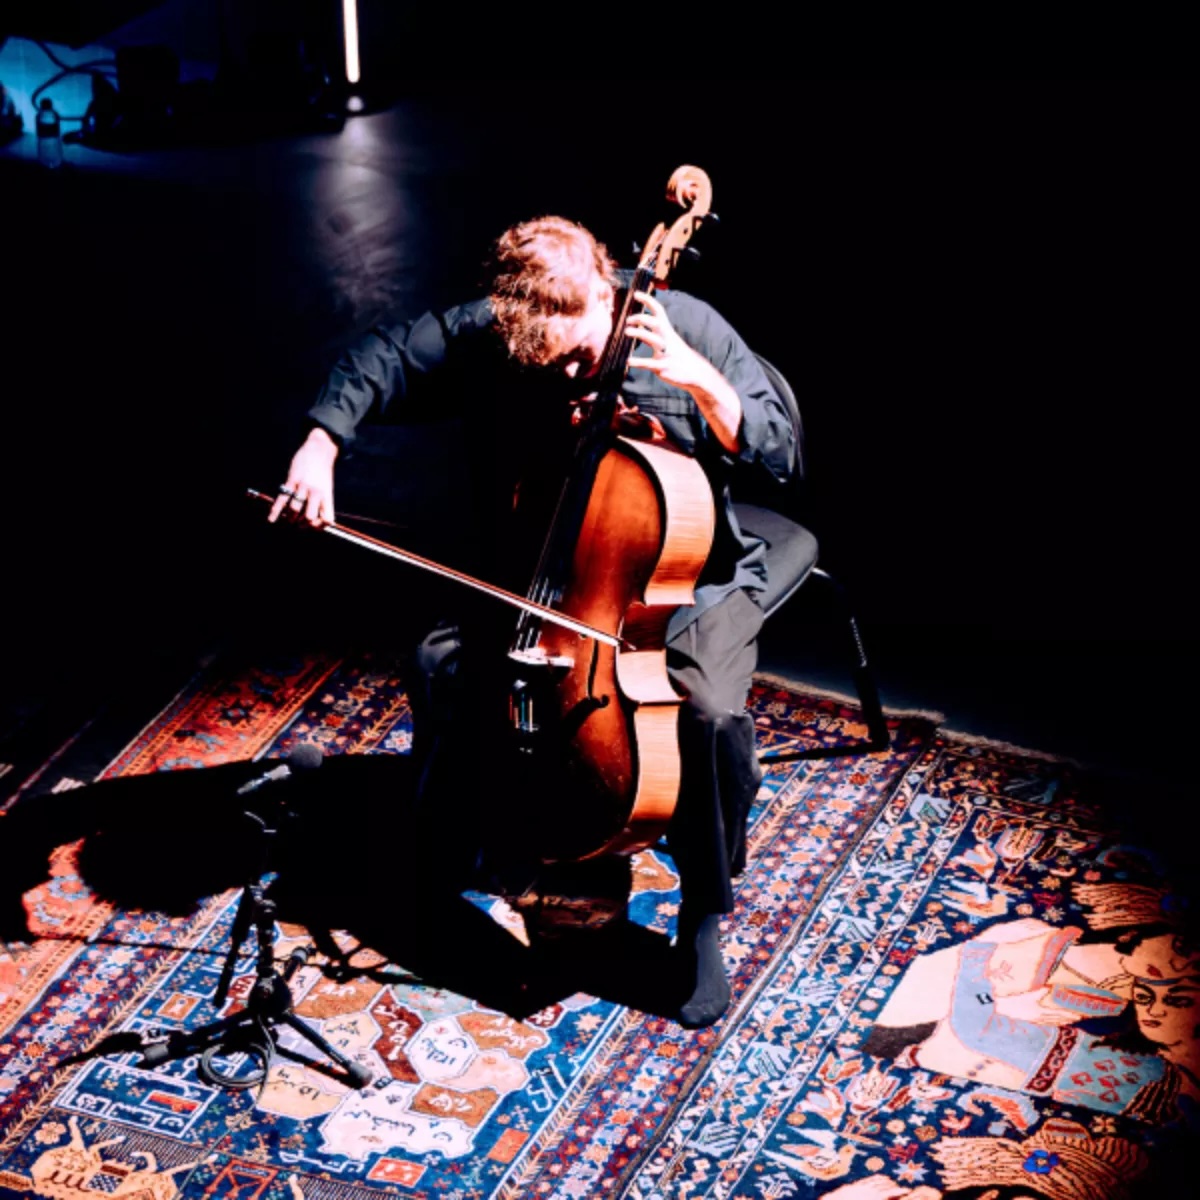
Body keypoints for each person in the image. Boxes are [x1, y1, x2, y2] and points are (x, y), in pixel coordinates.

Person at [268, 214, 796, 1028]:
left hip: (687, 581)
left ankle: (702, 913)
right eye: (552, 368)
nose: (578, 376)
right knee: (440, 660)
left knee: (714, 719)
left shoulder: (684, 328)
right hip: (549, 577)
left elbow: (781, 450)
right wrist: (320, 443)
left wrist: (706, 388)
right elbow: (383, 358)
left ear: (602, 288)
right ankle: (459, 835)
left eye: (583, 353)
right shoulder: (494, 330)